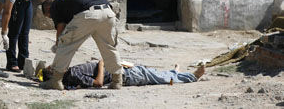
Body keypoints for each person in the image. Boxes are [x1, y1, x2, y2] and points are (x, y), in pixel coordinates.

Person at [41, 0, 123, 90]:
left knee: (66, 45)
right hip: (108, 13)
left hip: (88, 15)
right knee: (109, 47)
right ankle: (117, 81)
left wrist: (59, 44)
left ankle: (56, 81)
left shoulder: (55, 5)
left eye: (49, 16)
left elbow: (61, 26)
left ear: (48, 8)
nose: (51, 17)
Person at [42, 60, 205, 89]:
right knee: (154, 77)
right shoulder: (73, 77)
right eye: (53, 67)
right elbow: (98, 83)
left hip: (122, 69)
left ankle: (175, 72)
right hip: (125, 76)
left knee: (152, 73)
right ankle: (192, 77)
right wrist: (101, 64)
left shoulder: (71, 71)